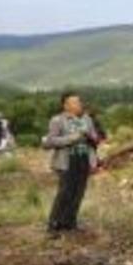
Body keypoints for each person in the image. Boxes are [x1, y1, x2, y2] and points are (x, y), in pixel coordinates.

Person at [42, 92, 99, 234]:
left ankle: (70, 223)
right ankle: (53, 225)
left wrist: (91, 137)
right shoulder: (57, 120)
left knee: (78, 193)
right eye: (74, 102)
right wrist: (73, 138)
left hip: (84, 159)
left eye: (79, 101)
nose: (79, 104)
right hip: (67, 161)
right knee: (65, 193)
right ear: (65, 105)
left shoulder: (87, 119)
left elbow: (95, 138)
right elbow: (50, 142)